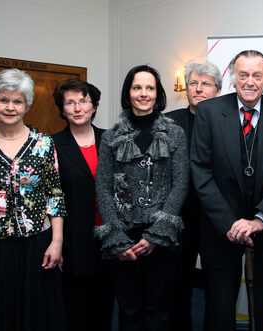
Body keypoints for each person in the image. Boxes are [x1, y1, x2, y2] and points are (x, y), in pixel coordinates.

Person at [190, 50, 263, 331]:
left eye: (257, 75)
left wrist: (259, 219)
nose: (250, 81)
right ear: (232, 78)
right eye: (243, 75)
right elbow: (201, 171)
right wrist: (229, 223)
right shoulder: (209, 112)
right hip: (220, 229)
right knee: (219, 309)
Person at [0, 68, 67, 331]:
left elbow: (55, 195)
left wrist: (57, 242)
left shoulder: (43, 143)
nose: (10, 107)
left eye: (17, 101)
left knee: (36, 316)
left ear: (27, 104)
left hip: (36, 246)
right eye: (3, 99)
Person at [95, 65, 189, 331]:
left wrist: (156, 235)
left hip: (162, 238)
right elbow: (103, 187)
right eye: (137, 87)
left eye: (150, 88)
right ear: (128, 92)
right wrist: (116, 237)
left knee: (158, 310)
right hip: (123, 237)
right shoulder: (111, 137)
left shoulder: (175, 133)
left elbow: (180, 183)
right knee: (129, 310)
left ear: (158, 93)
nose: (144, 94)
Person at [52, 79, 113, 331]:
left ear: (94, 106)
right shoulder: (52, 145)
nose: (78, 108)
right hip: (73, 237)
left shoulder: (110, 139)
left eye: (83, 101)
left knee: (105, 304)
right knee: (75, 307)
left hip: (109, 237)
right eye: (70, 102)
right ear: (62, 109)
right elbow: (51, 197)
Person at [165, 60, 221, 330]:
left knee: (216, 284)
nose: (198, 89)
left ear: (217, 91)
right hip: (178, 215)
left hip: (215, 216)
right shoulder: (168, 122)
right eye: (193, 83)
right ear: (185, 88)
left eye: (206, 84)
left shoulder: (228, 121)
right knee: (178, 280)